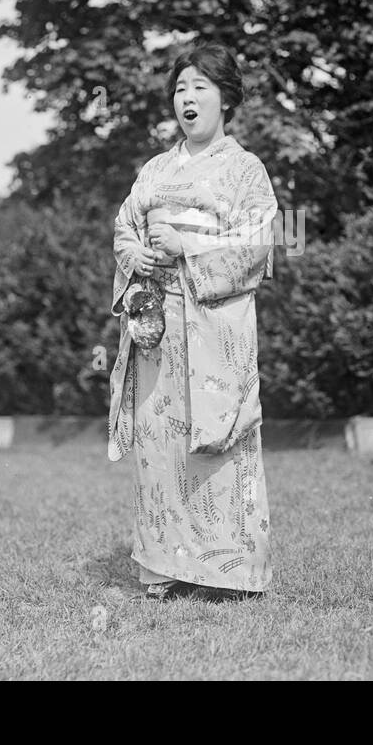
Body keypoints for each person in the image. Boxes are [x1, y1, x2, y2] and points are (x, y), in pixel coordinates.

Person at [107, 43, 277, 602]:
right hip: (158, 324)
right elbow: (125, 225)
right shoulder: (155, 169)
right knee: (160, 441)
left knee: (219, 437)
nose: (188, 97)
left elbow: (256, 246)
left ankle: (228, 574)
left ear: (226, 98)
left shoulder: (246, 170)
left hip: (213, 328)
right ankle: (163, 569)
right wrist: (137, 258)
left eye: (201, 86)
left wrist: (188, 245)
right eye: (181, 87)